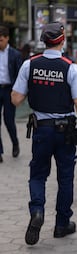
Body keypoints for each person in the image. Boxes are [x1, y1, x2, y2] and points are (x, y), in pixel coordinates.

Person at [11, 22, 77, 246]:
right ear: (62, 40)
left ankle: (37, 211)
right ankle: (62, 224)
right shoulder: (71, 67)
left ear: (44, 41)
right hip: (66, 130)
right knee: (65, 177)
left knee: (38, 174)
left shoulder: (30, 65)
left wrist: (34, 86)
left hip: (42, 129)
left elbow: (15, 99)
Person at [0, 25, 22, 163]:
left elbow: (20, 76)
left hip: (9, 90)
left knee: (9, 120)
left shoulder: (15, 54)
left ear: (7, 38)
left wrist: (19, 93)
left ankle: (15, 143)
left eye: (1, 40)